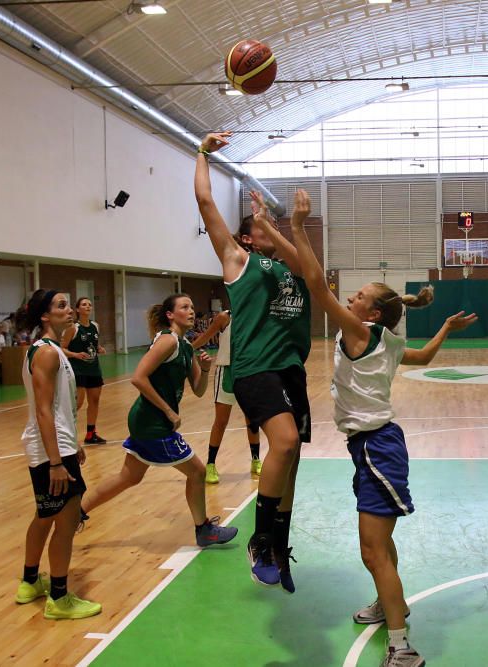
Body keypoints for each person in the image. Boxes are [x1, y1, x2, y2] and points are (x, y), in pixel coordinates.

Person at [289, 190, 477, 667]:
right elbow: (425, 357)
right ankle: (389, 602)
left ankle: (402, 646)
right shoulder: (385, 339)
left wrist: (297, 226)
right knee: (380, 544)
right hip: (370, 448)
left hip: (377, 448)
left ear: (370, 313)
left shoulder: (360, 332)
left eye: (358, 296)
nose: (349, 297)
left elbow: (314, 282)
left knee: (372, 549)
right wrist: (446, 330)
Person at [195, 131, 311, 592]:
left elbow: (308, 268)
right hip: (254, 367)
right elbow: (205, 203)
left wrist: (279, 230)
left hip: (290, 369)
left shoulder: (288, 265)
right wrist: (202, 154)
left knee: (293, 458)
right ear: (246, 236)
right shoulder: (239, 261)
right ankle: (261, 542)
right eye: (258, 223)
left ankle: (279, 547)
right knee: (282, 444)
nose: (266, 223)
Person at [79, 294, 238, 548]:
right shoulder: (167, 341)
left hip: (148, 421)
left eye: (192, 307)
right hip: (152, 422)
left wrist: (205, 369)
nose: (191, 311)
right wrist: (168, 411)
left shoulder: (186, 346)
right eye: (184, 307)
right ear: (170, 315)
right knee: (197, 471)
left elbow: (198, 390)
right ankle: (204, 529)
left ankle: (78, 510)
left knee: (129, 477)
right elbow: (138, 377)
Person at [15, 289, 101, 620]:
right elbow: (43, 412)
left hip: (57, 446)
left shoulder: (50, 350)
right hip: (50, 453)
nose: (69, 309)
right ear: (44, 316)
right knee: (65, 524)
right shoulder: (47, 353)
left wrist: (72, 444)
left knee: (45, 516)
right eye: (61, 305)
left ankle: (30, 581)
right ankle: (60, 599)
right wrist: (56, 461)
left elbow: (57, 409)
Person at [191, 309, 263, 484]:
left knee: (252, 420)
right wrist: (186, 348)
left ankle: (255, 459)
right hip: (227, 373)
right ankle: (210, 464)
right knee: (221, 421)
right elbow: (206, 337)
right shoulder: (224, 317)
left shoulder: (256, 314)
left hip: (249, 371)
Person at [61, 297, 108, 445]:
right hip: (78, 370)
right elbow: (61, 348)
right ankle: (66, 433)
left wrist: (99, 348)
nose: (87, 307)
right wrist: (75, 355)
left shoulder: (95, 326)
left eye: (89, 304)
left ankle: (90, 434)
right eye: (84, 304)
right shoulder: (72, 328)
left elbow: (93, 344)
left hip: (93, 368)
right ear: (77, 309)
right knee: (78, 403)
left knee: (94, 401)